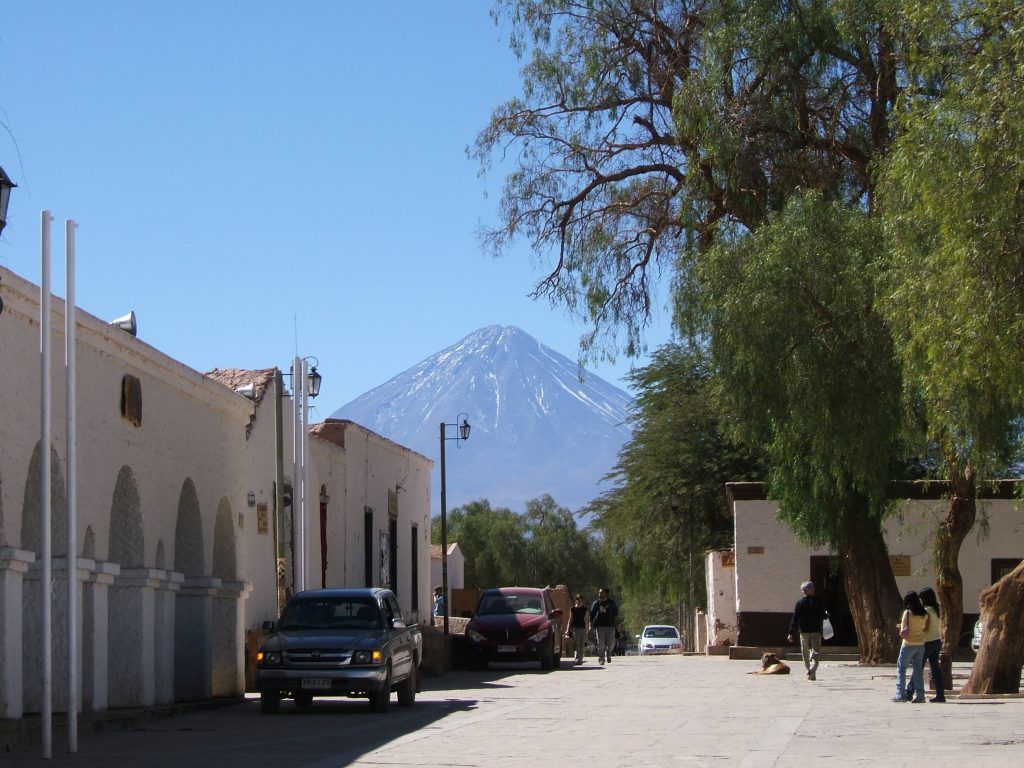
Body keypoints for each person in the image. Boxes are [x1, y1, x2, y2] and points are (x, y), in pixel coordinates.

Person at [907, 587, 945, 703]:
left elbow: (926, 627)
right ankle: (940, 695)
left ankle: (909, 691)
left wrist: (916, 630)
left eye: (921, 598)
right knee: (935, 670)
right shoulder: (936, 609)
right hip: (936, 641)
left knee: (918, 667)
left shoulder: (927, 610)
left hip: (927, 642)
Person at [893, 590, 929, 703]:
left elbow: (903, 629)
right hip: (920, 644)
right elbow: (924, 627)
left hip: (908, 644)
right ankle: (920, 696)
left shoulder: (907, 613)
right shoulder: (924, 614)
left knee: (901, 669)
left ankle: (900, 694)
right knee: (918, 671)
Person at [787, 580, 827, 680]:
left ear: (803, 591)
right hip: (816, 631)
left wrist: (791, 632)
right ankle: (813, 668)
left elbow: (795, 618)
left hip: (804, 631)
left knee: (805, 652)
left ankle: (808, 669)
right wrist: (826, 615)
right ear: (812, 590)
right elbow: (823, 615)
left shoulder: (800, 603)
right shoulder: (818, 602)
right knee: (816, 652)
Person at [589, 587, 619, 665]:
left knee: (611, 643)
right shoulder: (596, 603)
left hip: (611, 626)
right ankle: (601, 658)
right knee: (601, 643)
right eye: (599, 593)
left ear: (606, 593)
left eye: (601, 593)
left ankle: (608, 653)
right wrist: (590, 625)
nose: (600, 594)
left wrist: (617, 626)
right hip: (600, 626)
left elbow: (616, 615)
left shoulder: (612, 603)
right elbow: (591, 615)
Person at [566, 593, 589, 665]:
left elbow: (586, 619)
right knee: (577, 644)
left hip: (583, 629)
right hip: (575, 629)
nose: (579, 602)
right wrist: (567, 629)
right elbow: (570, 619)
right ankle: (577, 658)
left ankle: (580, 659)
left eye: (580, 600)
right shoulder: (573, 609)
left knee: (582, 645)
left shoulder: (585, 609)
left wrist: (587, 628)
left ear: (582, 601)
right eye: (578, 600)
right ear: (576, 601)